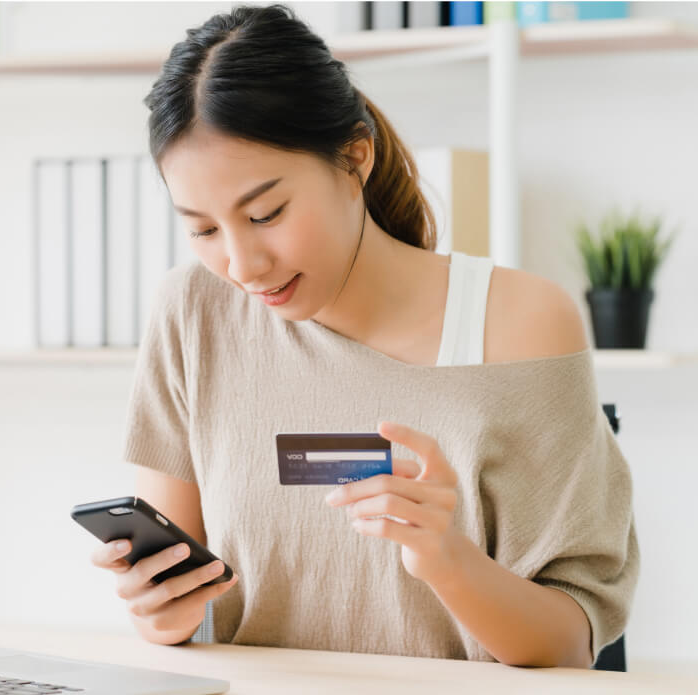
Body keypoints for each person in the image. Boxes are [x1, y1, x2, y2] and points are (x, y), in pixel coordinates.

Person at [90, 4, 638, 668]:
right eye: (203, 228)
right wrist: (161, 611)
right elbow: (174, 599)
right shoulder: (192, 313)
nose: (242, 264)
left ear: (355, 158)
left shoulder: (520, 319)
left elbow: (568, 645)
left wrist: (447, 557)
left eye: (266, 213)